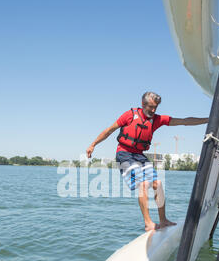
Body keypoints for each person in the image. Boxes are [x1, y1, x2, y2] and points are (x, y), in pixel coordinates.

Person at [86, 91, 208, 231]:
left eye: (155, 107)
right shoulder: (129, 115)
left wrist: (208, 120)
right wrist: (93, 145)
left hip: (139, 155)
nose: (153, 110)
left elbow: (184, 121)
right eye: (151, 107)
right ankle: (148, 223)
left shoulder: (157, 119)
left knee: (158, 183)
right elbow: (109, 130)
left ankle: (163, 220)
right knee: (143, 183)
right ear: (143, 104)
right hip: (124, 154)